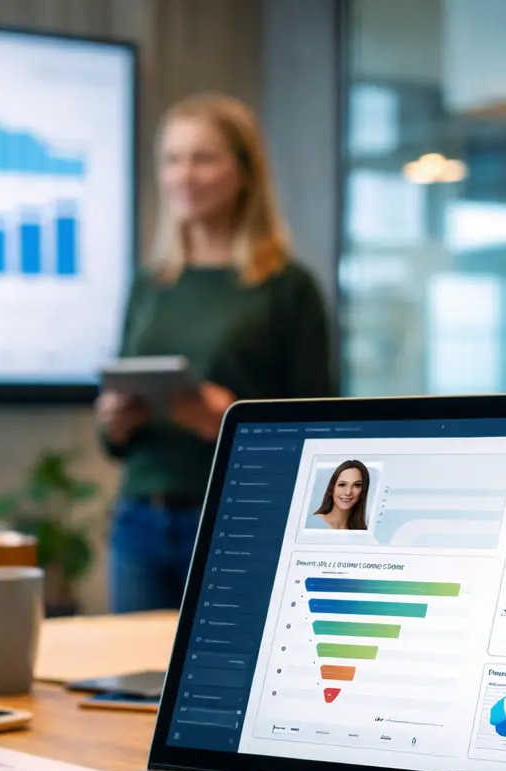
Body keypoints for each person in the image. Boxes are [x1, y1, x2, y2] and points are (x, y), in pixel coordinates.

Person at [97, 93, 335, 611]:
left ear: (245, 173)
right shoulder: (151, 284)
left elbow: (322, 430)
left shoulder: (286, 287)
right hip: (140, 521)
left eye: (203, 158)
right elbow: (115, 441)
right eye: (172, 159)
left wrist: (231, 423)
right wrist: (115, 422)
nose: (184, 175)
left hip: (236, 521)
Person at [307, 460, 370, 531]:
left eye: (357, 485)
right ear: (332, 488)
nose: (348, 492)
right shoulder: (309, 524)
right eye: (342, 484)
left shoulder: (363, 532)